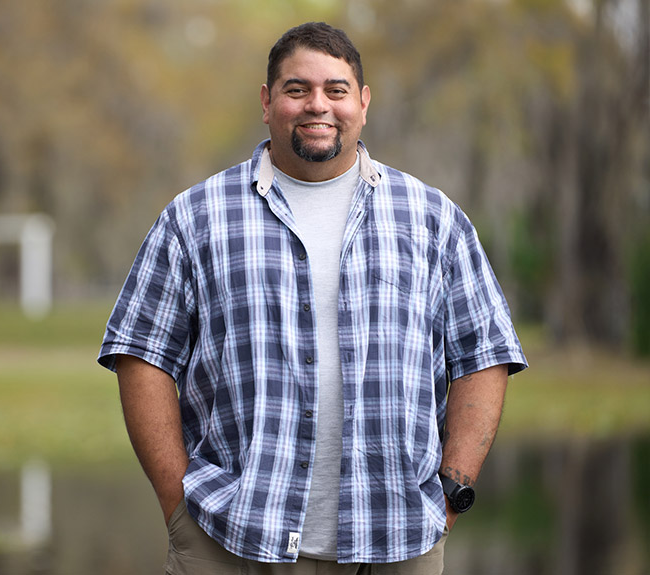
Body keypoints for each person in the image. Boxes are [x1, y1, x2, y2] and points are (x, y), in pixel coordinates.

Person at [98, 21, 527, 574]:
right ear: (267, 101)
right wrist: (177, 504)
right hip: (230, 538)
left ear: (363, 103)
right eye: (297, 89)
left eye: (336, 90)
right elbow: (141, 353)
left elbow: (484, 354)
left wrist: (453, 488)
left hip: (398, 539)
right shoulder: (194, 218)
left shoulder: (432, 219)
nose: (316, 105)